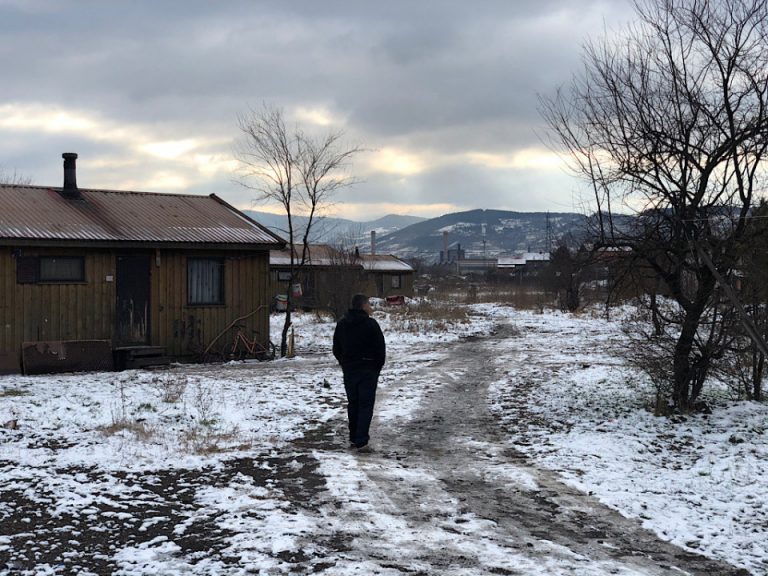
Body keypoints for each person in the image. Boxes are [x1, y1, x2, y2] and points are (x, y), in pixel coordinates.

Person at [332, 293, 386, 451]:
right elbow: (380, 349)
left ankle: (354, 437)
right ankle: (361, 440)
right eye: (369, 304)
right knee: (365, 405)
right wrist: (376, 367)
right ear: (363, 305)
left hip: (350, 370)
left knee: (353, 403)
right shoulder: (371, 325)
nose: (370, 307)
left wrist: (344, 362)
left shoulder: (342, 324)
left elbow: (336, 348)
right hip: (368, 370)